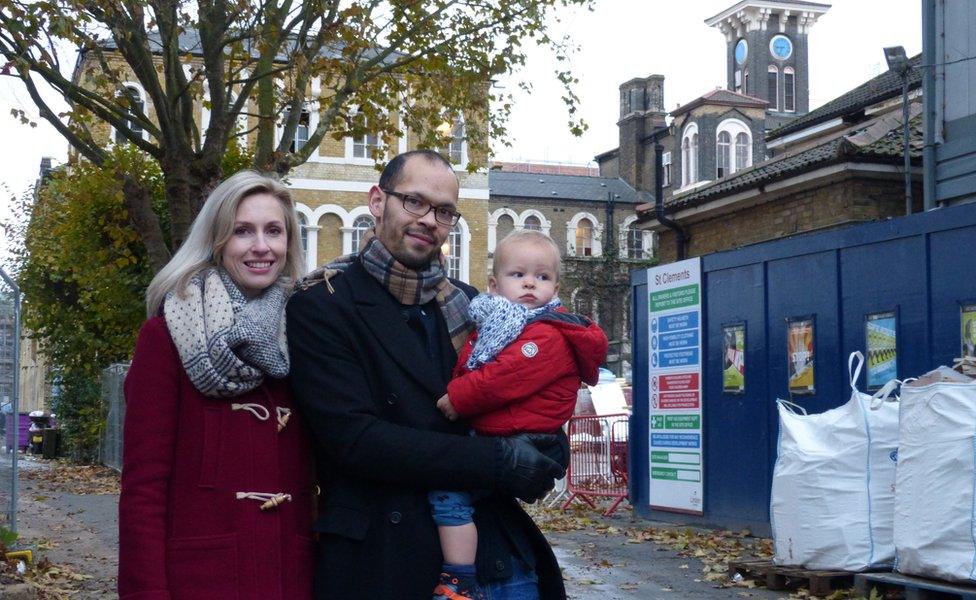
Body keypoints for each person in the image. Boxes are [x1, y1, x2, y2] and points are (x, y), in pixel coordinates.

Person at [287, 150, 568, 599]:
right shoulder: (322, 304)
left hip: (488, 550)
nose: (428, 220)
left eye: (443, 211)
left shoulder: (475, 305)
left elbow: (527, 388)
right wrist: (500, 461)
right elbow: (354, 440)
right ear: (378, 201)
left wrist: (546, 446)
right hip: (382, 557)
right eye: (413, 202)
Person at [118, 171, 314, 599]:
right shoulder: (166, 335)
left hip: (291, 577)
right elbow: (143, 489)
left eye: (274, 231)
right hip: (202, 579)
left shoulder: (308, 332)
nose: (261, 247)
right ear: (217, 240)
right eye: (242, 231)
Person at [430, 230, 608, 599]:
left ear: (556, 286)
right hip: (509, 429)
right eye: (518, 275)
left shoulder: (546, 334)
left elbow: (502, 378)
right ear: (494, 285)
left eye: (542, 277)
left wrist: (456, 398)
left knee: (449, 492)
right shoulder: (501, 324)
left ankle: (458, 576)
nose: (530, 283)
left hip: (520, 434)